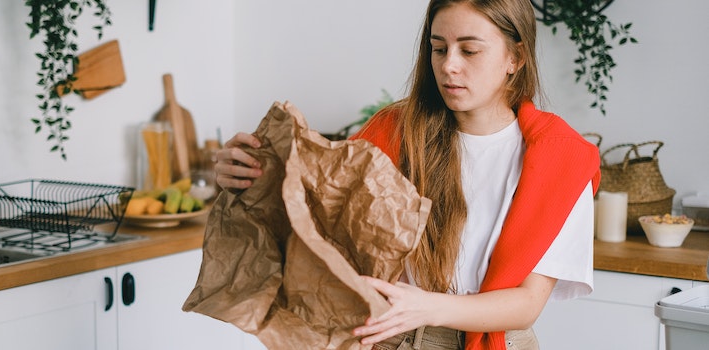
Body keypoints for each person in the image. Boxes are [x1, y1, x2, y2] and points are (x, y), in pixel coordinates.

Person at [213, 0, 600, 349]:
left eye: (469, 50)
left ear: (515, 57)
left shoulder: (562, 159)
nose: (449, 65)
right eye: (438, 48)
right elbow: (313, 217)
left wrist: (427, 308)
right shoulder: (391, 132)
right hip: (392, 337)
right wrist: (249, 177)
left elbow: (527, 304)